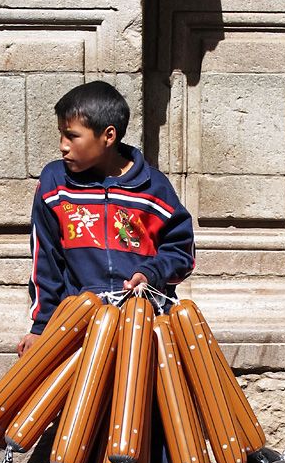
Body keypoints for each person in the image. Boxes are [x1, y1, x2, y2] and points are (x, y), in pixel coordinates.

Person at [17, 80, 195, 356]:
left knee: (139, 396)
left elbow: (182, 252)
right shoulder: (54, 184)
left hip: (145, 326)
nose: (63, 146)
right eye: (61, 135)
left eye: (72, 136)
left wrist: (150, 274)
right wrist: (41, 327)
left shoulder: (155, 189)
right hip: (79, 327)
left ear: (108, 136)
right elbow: (45, 261)